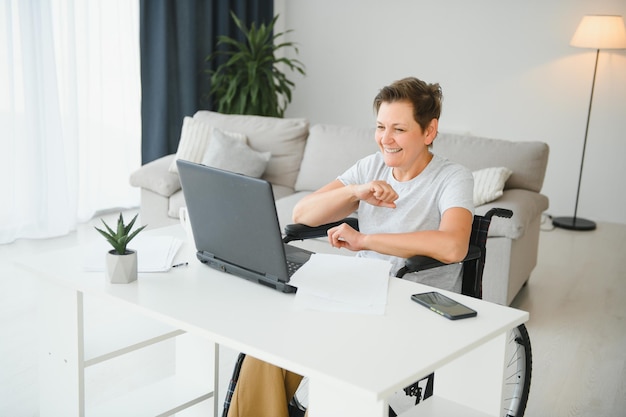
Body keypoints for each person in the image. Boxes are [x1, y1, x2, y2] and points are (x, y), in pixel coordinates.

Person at [226, 76, 475, 417]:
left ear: (428, 132)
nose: (386, 139)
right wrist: (354, 192)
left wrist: (366, 241)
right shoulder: (372, 166)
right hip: (359, 294)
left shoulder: (452, 177)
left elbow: (453, 246)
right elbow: (303, 212)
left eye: (399, 130)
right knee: (266, 349)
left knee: (336, 371)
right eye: (380, 127)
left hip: (411, 306)